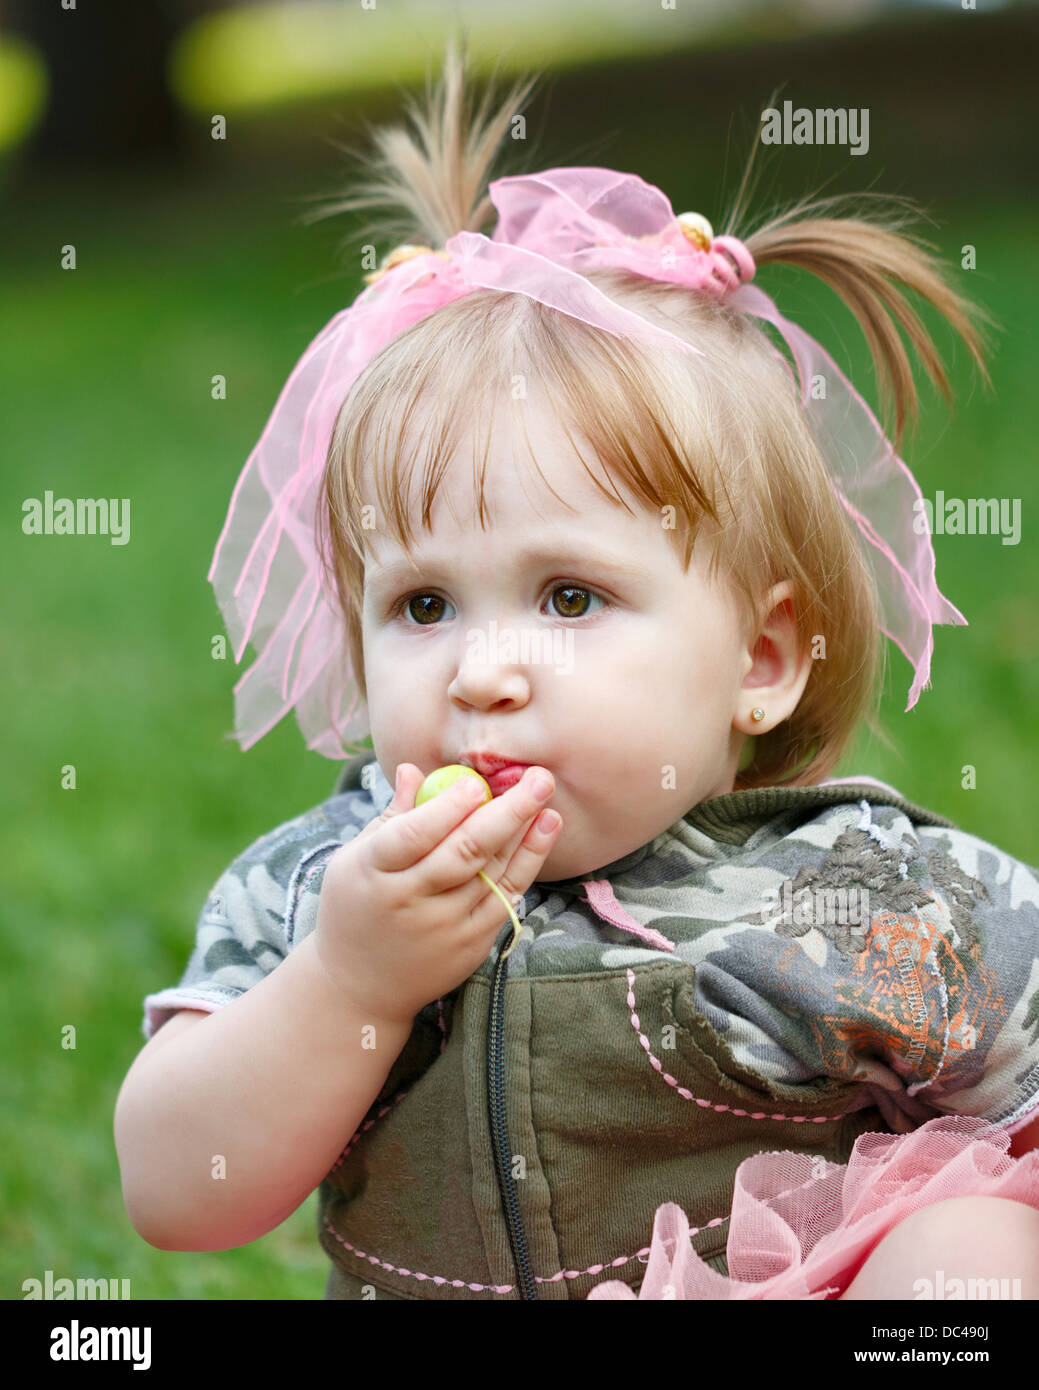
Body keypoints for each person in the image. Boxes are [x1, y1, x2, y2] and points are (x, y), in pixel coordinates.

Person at [114, 38, 1039, 1300]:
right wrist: (347, 983)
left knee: (968, 1251)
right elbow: (178, 1193)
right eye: (423, 602)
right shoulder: (316, 896)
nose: (483, 671)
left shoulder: (861, 895)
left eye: (568, 597)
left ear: (761, 659)